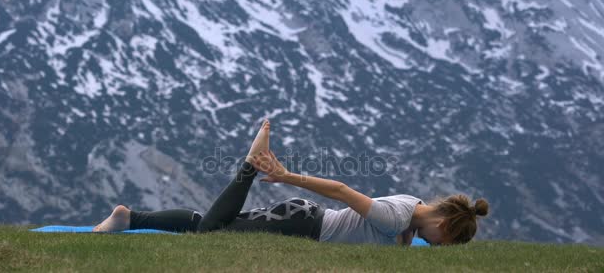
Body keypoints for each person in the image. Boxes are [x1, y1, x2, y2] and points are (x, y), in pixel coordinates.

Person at [93, 120, 489, 245]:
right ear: (444, 224)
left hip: (301, 220)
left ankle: (132, 218)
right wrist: (285, 176)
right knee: (209, 230)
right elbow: (340, 190)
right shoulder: (396, 218)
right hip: (301, 224)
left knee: (212, 225)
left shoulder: (411, 213)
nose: (438, 247)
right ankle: (131, 217)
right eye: (446, 242)